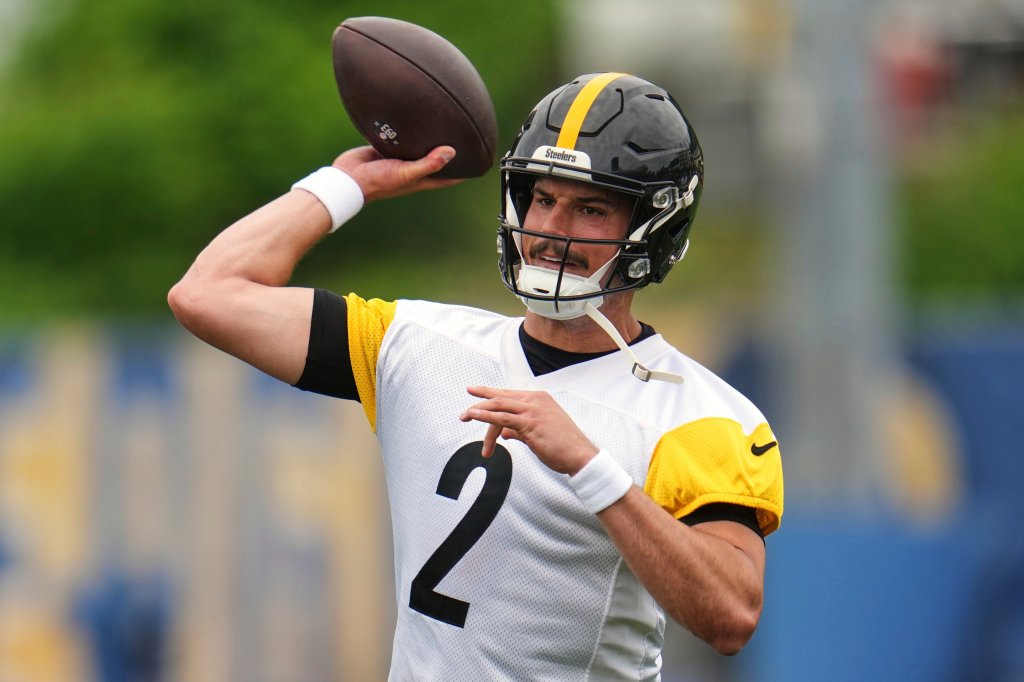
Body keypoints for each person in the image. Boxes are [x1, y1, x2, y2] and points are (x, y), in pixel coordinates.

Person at [169, 72, 784, 680]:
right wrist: (345, 185)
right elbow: (207, 295)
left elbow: (730, 616)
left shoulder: (701, 416)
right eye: (543, 199)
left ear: (654, 226)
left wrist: (592, 469)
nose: (550, 231)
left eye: (590, 208)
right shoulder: (415, 345)